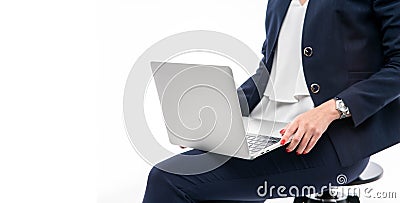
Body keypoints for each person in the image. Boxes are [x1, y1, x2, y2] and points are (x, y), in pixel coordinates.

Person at [142, 0, 400, 202]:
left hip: (333, 141)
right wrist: (221, 114)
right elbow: (269, 71)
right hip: (263, 132)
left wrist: (331, 109)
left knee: (168, 179)